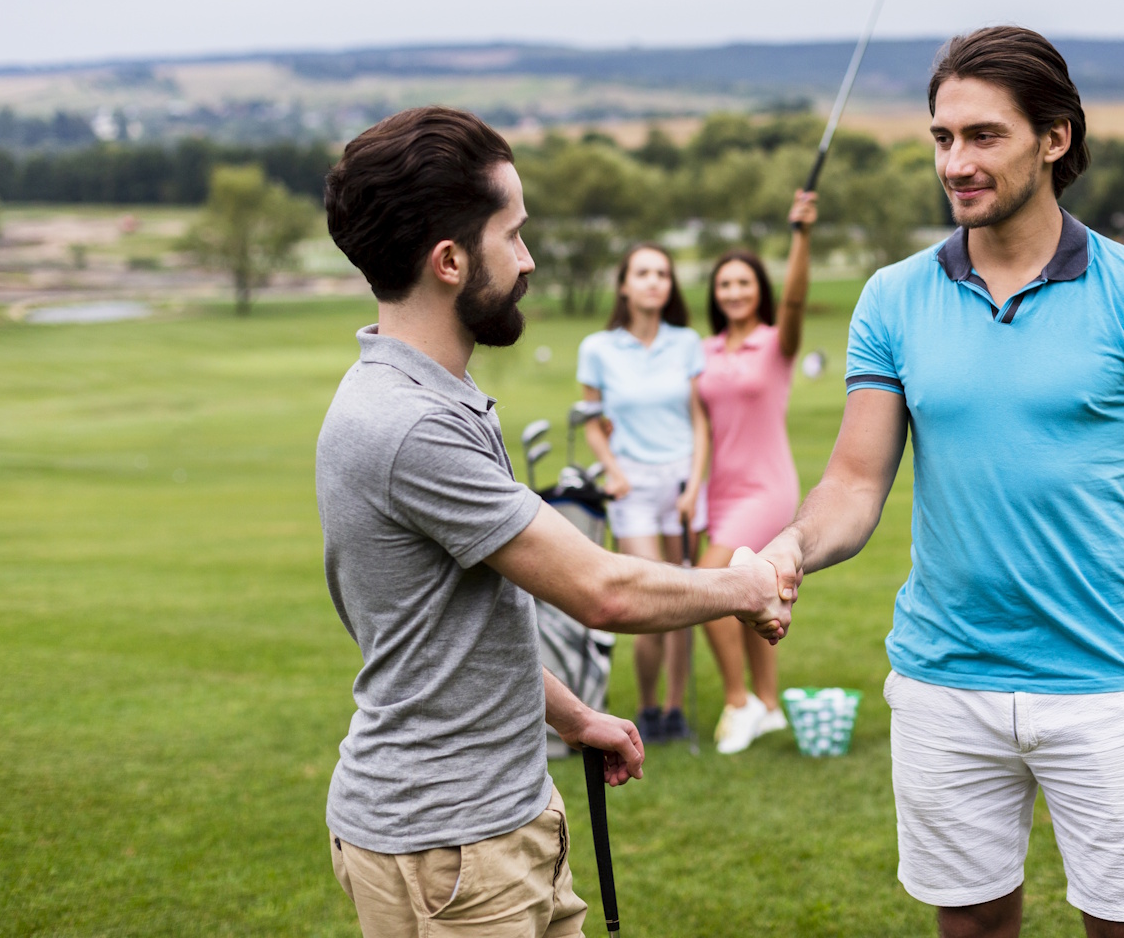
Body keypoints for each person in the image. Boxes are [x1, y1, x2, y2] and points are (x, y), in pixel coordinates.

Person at [755, 27, 1124, 938]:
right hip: (943, 681)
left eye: (983, 135)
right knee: (976, 927)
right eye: (942, 138)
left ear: (1055, 138)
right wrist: (794, 544)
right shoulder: (893, 298)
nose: (956, 162)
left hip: (1101, 678)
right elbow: (854, 480)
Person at [316, 106, 791, 938]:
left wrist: (572, 718)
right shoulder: (410, 425)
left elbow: (445, 636)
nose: (529, 260)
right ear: (451, 261)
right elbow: (600, 590)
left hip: (504, 816)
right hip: (449, 849)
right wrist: (744, 585)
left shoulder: (438, 400)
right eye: (515, 235)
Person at [695, 190, 817, 754]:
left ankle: (738, 702)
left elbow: (793, 306)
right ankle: (768, 707)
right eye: (726, 284)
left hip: (765, 487)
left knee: (709, 587)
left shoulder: (776, 344)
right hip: (718, 490)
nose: (736, 291)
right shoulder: (705, 349)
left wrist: (801, 235)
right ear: (715, 294)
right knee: (752, 597)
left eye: (746, 282)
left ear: (758, 290)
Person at [576, 245, 708, 745]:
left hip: (680, 484)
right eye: (643, 273)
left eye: (663, 274)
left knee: (686, 602)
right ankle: (649, 707)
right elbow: (592, 424)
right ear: (624, 285)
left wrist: (696, 485)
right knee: (653, 600)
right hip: (631, 484)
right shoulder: (598, 347)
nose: (654, 282)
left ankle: (675, 711)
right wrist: (612, 471)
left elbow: (699, 419)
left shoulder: (687, 342)